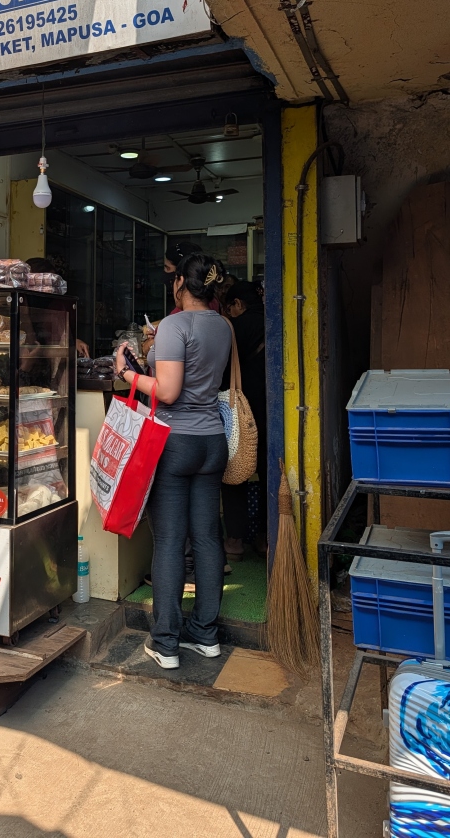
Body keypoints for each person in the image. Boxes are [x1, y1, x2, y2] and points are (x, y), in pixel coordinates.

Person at [115, 253, 231, 668]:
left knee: (168, 540)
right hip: (212, 442)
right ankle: (205, 634)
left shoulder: (174, 325)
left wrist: (127, 373)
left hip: (175, 441)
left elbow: (166, 391)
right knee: (206, 538)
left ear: (180, 282)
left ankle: (165, 643)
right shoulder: (223, 325)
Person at [222, 279, 268, 557]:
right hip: (271, 411)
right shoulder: (276, 321)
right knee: (267, 473)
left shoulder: (233, 328)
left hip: (241, 410)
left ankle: (235, 541)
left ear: (237, 305)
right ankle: (265, 538)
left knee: (234, 472)